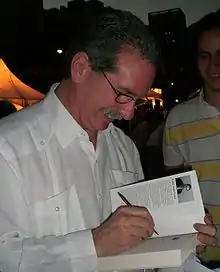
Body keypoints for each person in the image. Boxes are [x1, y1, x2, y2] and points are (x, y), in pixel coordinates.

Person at [0, 7, 216, 272]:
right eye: (122, 94)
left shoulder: (124, 148)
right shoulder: (7, 147)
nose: (128, 112)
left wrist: (177, 237)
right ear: (81, 68)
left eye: (135, 100)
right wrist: (93, 244)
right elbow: (5, 257)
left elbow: (140, 249)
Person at [163, 12, 220, 265]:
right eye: (205, 56)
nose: (214, 66)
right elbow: (173, 194)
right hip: (200, 259)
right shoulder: (178, 119)